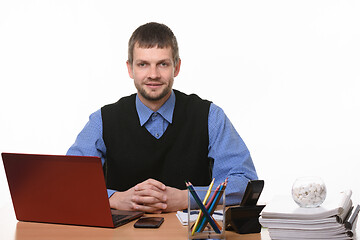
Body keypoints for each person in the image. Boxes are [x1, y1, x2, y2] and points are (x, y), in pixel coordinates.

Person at [67, 22, 258, 213]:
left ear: (176, 67)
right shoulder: (103, 120)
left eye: (163, 64)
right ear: (130, 69)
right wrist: (115, 198)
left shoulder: (210, 116)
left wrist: (187, 198)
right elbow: (69, 180)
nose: (153, 75)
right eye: (143, 64)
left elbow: (244, 182)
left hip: (190, 234)